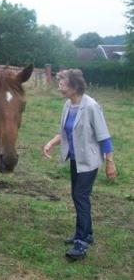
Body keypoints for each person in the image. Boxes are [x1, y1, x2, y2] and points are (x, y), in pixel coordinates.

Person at [43, 69, 117, 261]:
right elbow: (64, 131)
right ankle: (86, 234)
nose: (59, 85)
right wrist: (51, 143)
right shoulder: (68, 104)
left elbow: (104, 137)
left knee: (80, 196)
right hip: (76, 160)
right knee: (79, 196)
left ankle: (82, 242)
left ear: (74, 86)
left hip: (90, 161)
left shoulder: (92, 106)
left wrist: (110, 163)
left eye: (62, 83)